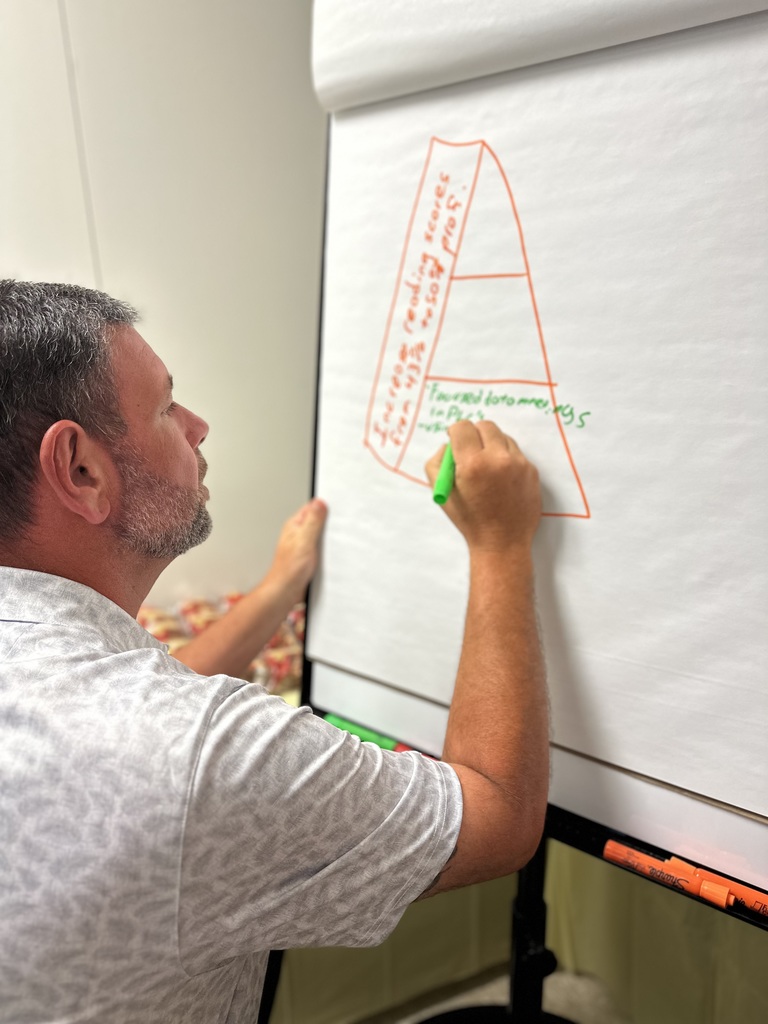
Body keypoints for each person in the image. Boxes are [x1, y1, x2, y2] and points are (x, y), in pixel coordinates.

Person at [0, 279, 549, 1023]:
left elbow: (125, 731)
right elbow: (498, 813)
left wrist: (276, 590)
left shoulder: (78, 705)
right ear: (81, 469)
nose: (197, 426)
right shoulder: (194, 756)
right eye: (166, 407)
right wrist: (502, 542)